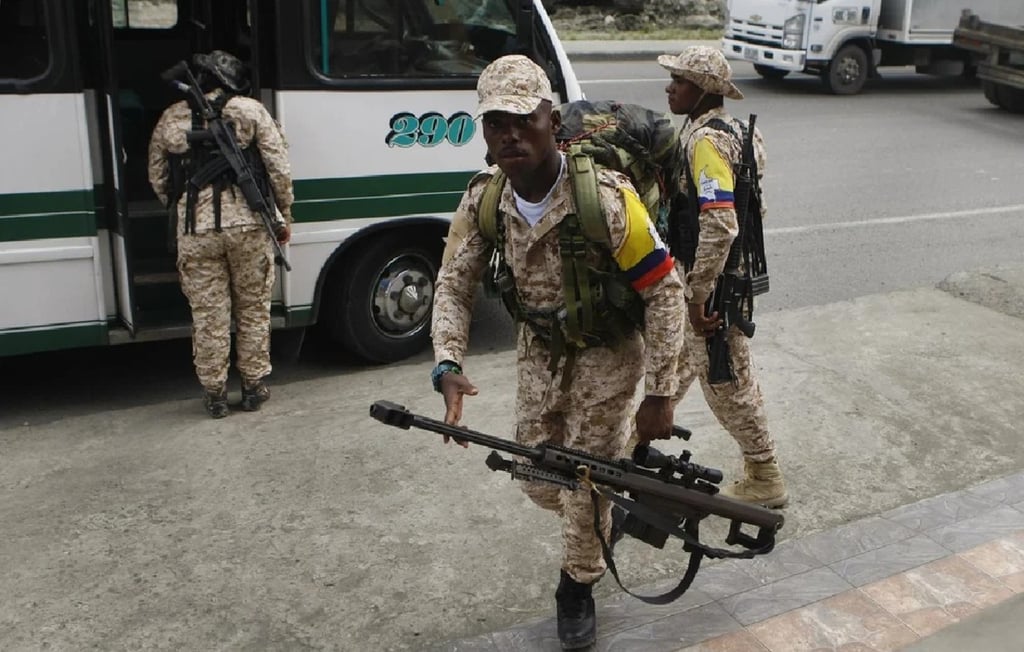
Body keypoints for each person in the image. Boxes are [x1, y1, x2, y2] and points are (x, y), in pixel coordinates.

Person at [431, 55, 686, 650]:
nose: (510, 134)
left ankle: (576, 588)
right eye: (496, 122)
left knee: (582, 481)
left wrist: (661, 393)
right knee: (537, 476)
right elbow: (453, 283)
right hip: (538, 354)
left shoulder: (605, 199)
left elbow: (665, 293)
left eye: (524, 119)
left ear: (552, 119)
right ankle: (604, 507)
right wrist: (448, 362)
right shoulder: (484, 200)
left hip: (607, 355)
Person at [653, 45, 788, 507]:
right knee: (681, 361)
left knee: (725, 380)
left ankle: (764, 472)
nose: (670, 87)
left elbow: (722, 219)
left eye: (680, 81)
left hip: (714, 277)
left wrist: (698, 293)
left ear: (704, 90)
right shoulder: (731, 129)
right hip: (728, 269)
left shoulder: (705, 141)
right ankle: (639, 434)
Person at [148, 50, 294, 418]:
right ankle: (253, 387)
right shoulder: (251, 111)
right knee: (253, 309)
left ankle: (214, 393)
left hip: (196, 232)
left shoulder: (171, 117)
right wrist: (284, 215)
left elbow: (159, 177)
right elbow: (279, 168)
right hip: (249, 226)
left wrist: (182, 207)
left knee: (209, 314)